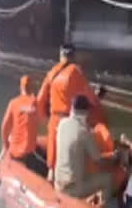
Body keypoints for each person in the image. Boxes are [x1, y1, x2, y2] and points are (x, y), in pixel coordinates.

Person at [37, 43, 105, 177]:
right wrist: (98, 100)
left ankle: (51, 179)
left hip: (54, 120)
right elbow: (89, 97)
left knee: (52, 162)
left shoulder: (52, 73)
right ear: (73, 56)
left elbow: (40, 100)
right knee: (70, 158)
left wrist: (46, 117)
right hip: (70, 121)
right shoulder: (75, 72)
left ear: (60, 55)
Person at [54, 95, 118, 199]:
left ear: (72, 108)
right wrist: (114, 158)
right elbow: (99, 162)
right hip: (73, 189)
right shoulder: (84, 132)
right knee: (107, 179)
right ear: (85, 112)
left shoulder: (62, 123)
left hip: (58, 183)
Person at [1, 75, 46, 176]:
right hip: (27, 153)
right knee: (46, 170)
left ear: (21, 88)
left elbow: (4, 127)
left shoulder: (13, 103)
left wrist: (5, 145)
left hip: (14, 152)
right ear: (32, 88)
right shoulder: (35, 103)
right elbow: (42, 121)